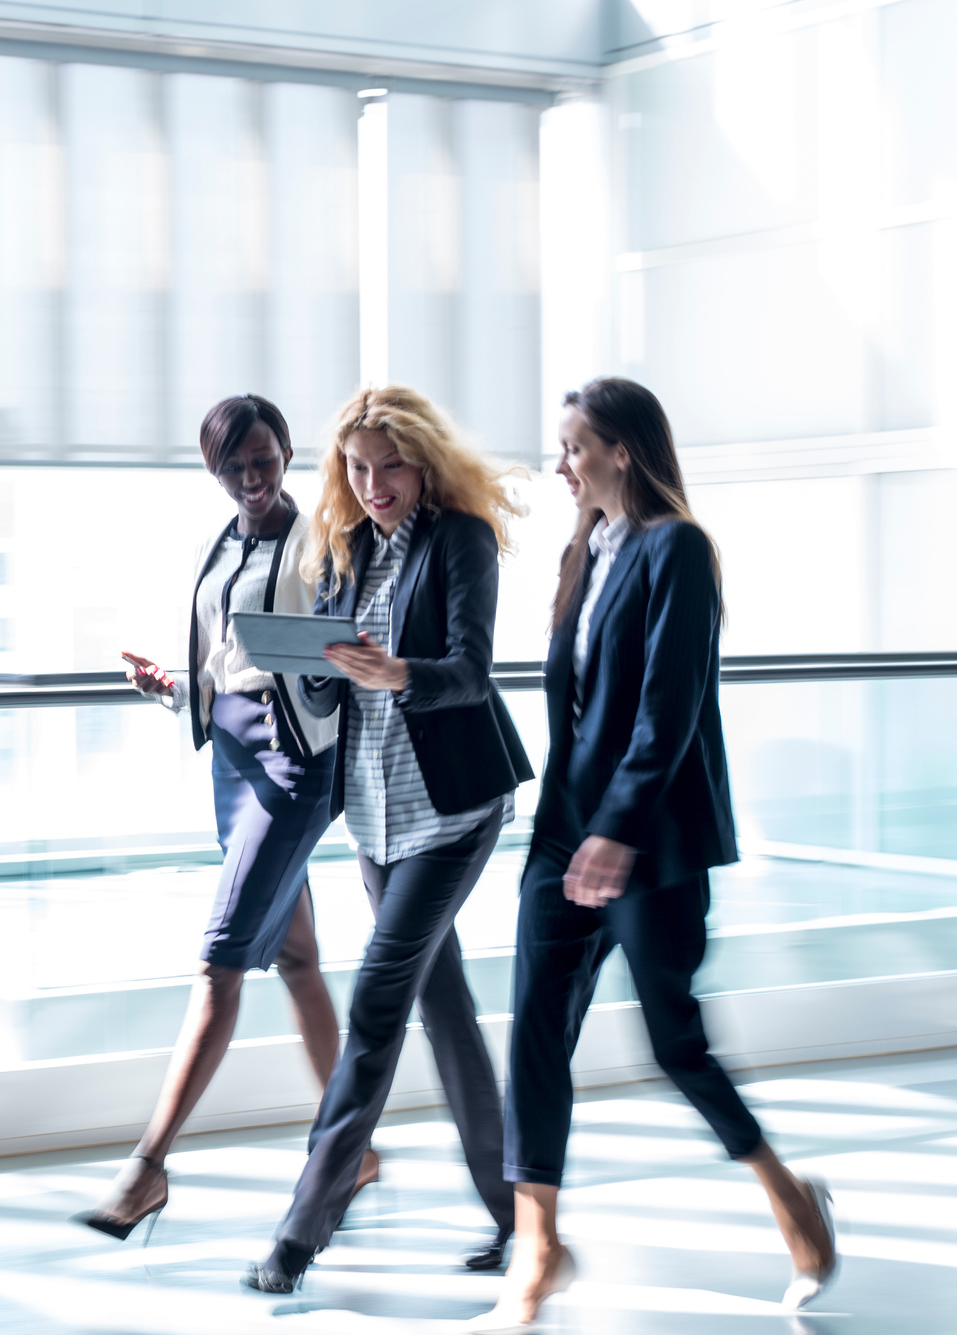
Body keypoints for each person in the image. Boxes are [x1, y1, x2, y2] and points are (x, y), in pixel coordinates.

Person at [468, 378, 837, 1333]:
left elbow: (666, 711)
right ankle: (538, 1249)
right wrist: (566, 826)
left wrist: (618, 829)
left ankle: (787, 1192)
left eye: (573, 447)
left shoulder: (676, 549)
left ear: (622, 451)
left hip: (649, 838)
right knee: (536, 1032)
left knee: (676, 1043)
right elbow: (577, 711)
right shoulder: (584, 551)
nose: (560, 464)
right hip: (566, 832)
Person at [243, 385, 533, 1293]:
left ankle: (299, 1234)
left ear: (423, 461)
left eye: (389, 466)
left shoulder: (461, 538)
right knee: (443, 1011)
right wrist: (311, 667)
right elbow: (337, 686)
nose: (373, 485)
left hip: (450, 811)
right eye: (357, 469)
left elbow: (470, 670)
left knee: (374, 1007)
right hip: (375, 814)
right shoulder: (346, 546)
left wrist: (397, 670)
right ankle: (519, 1218)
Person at [73, 393, 364, 1240]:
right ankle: (357, 1149)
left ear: (285, 451)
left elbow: (333, 662)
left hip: (293, 763)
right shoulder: (218, 541)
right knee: (300, 961)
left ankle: (147, 1168)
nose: (251, 477)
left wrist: (323, 664)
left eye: (264, 458)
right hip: (233, 767)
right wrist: (174, 688)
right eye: (233, 466)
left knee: (220, 961)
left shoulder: (321, 543)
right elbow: (227, 657)